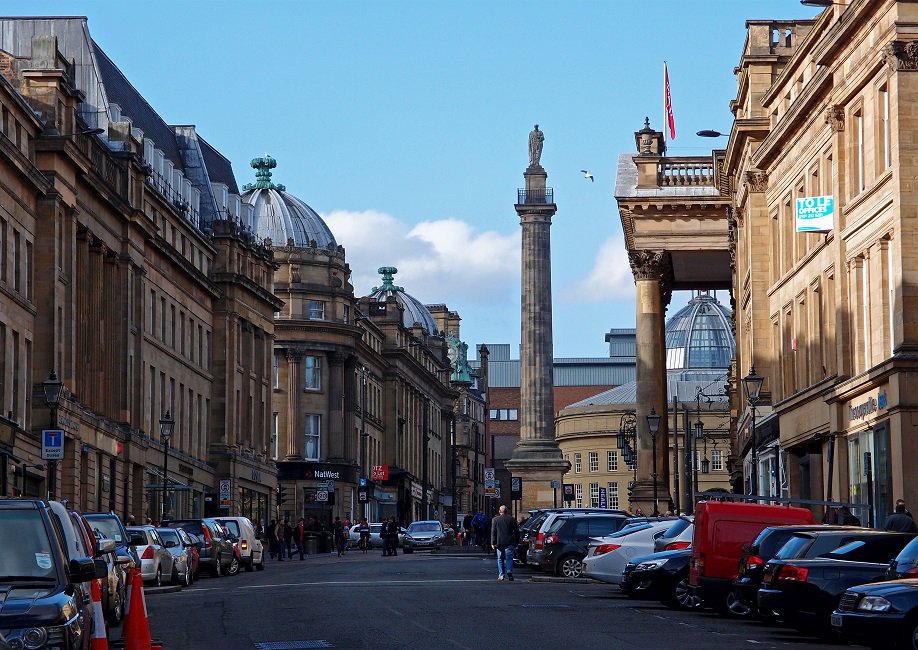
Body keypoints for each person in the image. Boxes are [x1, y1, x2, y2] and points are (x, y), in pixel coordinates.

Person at [491, 505, 519, 581]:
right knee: (509, 558)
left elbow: (493, 532)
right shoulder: (512, 519)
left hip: (499, 542)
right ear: (507, 511)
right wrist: (516, 541)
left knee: (500, 559)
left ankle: (501, 575)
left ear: (499, 511)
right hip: (510, 542)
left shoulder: (495, 519)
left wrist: (493, 542)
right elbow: (517, 531)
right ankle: (509, 571)